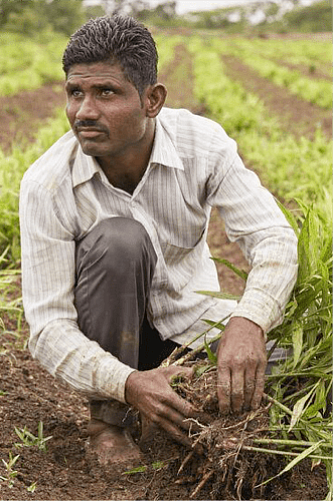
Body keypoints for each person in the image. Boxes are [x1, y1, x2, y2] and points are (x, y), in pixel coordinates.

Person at [19, 14, 298, 467]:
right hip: (109, 340)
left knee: (303, 358)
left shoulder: (201, 145)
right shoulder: (48, 185)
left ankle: (194, 394)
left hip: (194, 323)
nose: (84, 111)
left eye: (105, 92)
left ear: (152, 100)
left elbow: (272, 237)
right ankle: (108, 423)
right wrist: (127, 383)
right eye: (75, 93)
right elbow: (48, 327)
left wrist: (249, 321)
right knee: (119, 239)